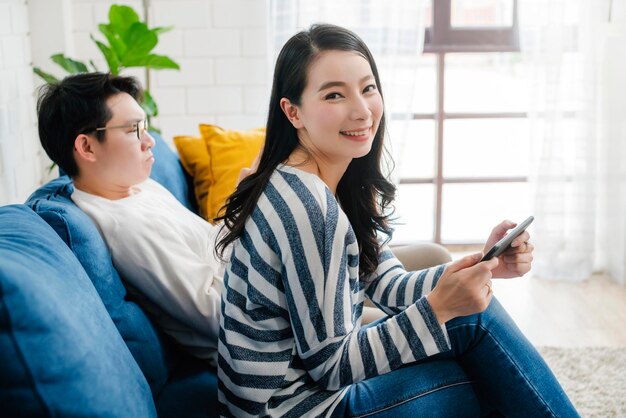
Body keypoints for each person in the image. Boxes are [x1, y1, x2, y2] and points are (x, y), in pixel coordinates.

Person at [216, 24, 579, 417]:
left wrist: (481, 265)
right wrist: (439, 308)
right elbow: (332, 366)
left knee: (478, 332)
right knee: (489, 375)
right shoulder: (310, 209)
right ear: (293, 111)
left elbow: (388, 284)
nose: (362, 110)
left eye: (368, 88)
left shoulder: (315, 178)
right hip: (296, 409)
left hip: (298, 392)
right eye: (334, 94)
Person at [36, 73, 223, 364]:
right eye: (134, 129)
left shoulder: (137, 186)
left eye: (145, 127)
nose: (150, 142)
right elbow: (216, 316)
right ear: (87, 147)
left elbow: (211, 246)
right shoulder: (127, 228)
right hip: (261, 351)